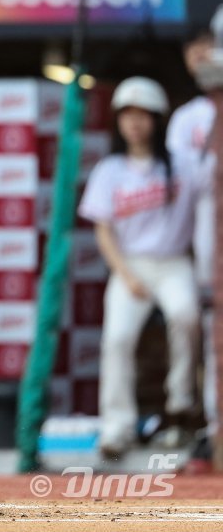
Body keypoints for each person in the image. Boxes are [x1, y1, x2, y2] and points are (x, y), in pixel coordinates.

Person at [78, 76, 206, 459]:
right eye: (127, 114)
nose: (134, 122)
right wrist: (126, 274)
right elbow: (103, 231)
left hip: (174, 262)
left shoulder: (183, 164)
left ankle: (180, 405)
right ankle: (116, 428)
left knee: (187, 317)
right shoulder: (110, 169)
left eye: (143, 114)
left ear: (157, 119)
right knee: (117, 339)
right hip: (129, 265)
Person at [166, 24, 219, 471]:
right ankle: (214, 427)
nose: (201, 55)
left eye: (208, 47)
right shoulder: (187, 117)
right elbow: (181, 185)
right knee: (212, 323)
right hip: (207, 221)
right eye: (193, 49)